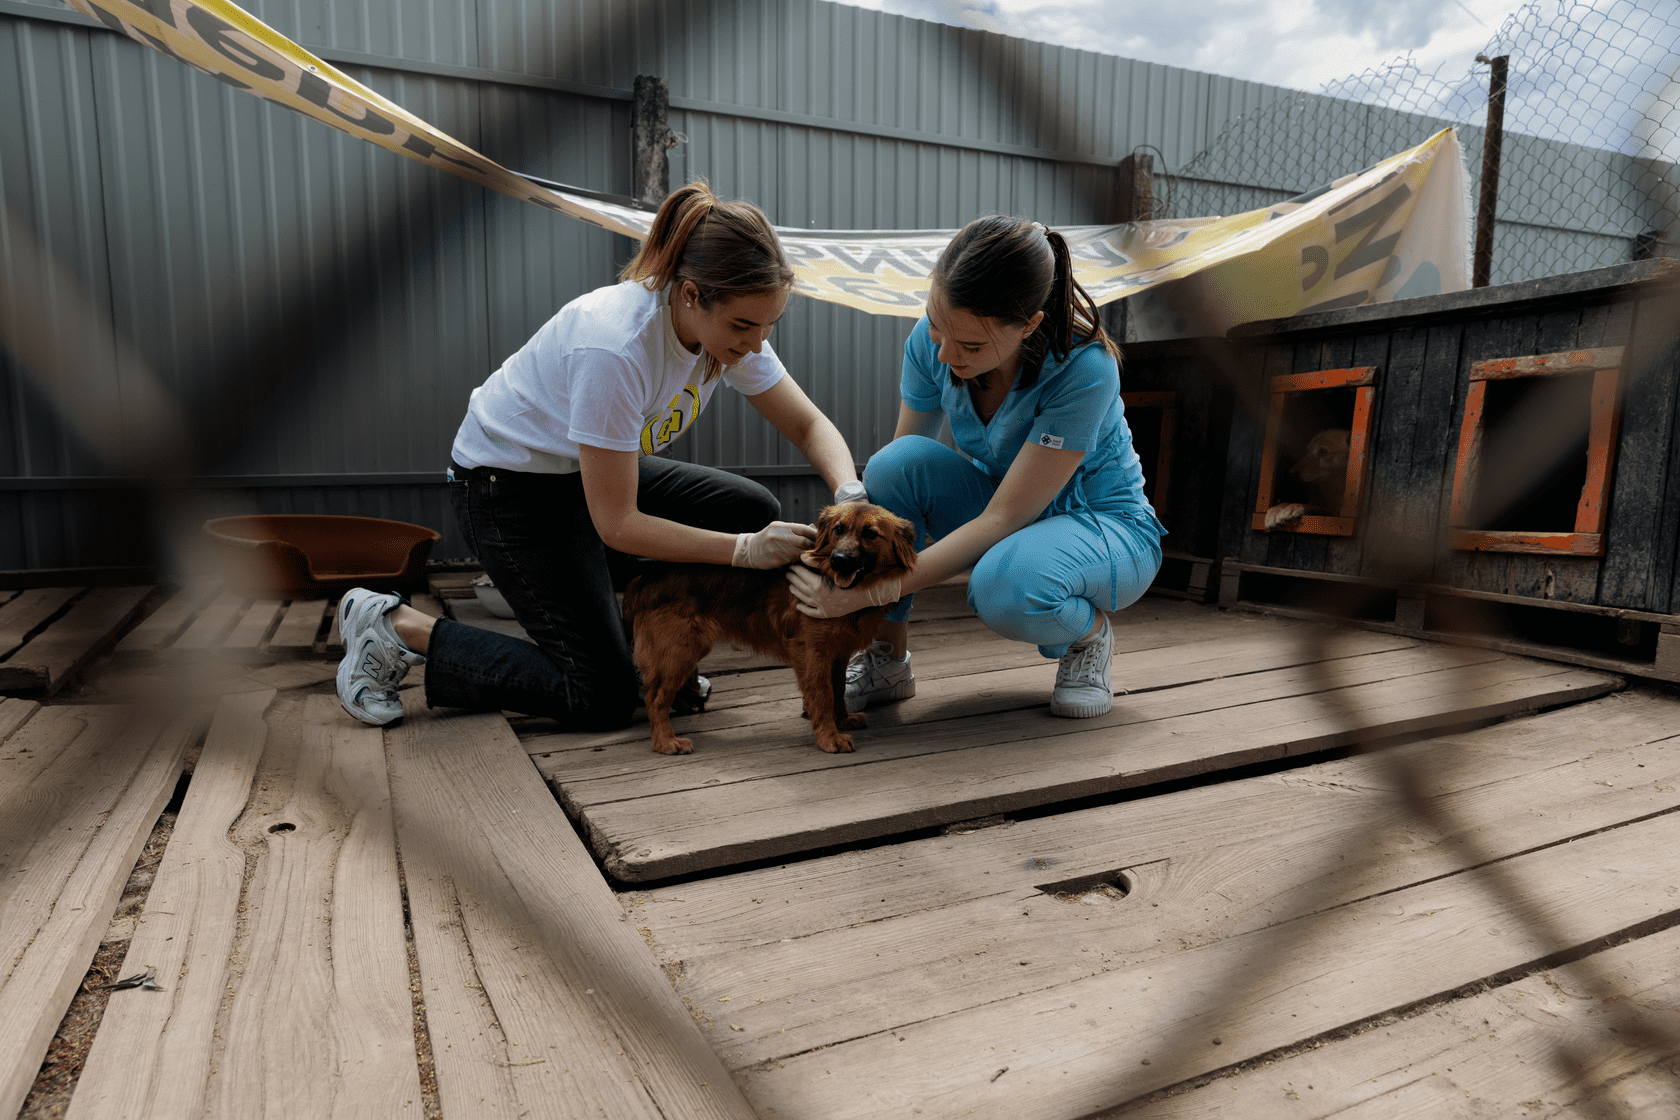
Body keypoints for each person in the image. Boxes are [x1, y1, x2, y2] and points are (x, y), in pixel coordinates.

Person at [336, 181, 863, 729]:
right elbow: (617, 523)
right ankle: (396, 626)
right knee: (601, 695)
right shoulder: (615, 346)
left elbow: (808, 425)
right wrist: (744, 551)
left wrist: (849, 493)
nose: (756, 345)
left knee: (748, 509)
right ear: (690, 294)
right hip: (507, 487)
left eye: (769, 326)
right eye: (744, 326)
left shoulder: (727, 331)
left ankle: (652, 646)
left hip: (580, 476)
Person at [787, 215, 1164, 718]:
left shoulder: (1084, 368)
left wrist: (867, 595)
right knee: (892, 467)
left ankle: (1087, 637)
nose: (945, 353)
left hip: (1104, 526)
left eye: (970, 346)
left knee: (1004, 587)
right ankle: (887, 658)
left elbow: (1005, 516)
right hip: (1009, 510)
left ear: (1029, 324)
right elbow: (901, 473)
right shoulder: (934, 343)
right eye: (936, 326)